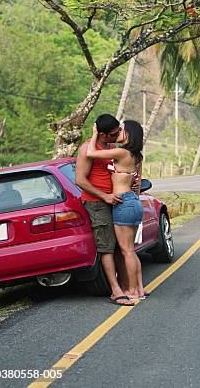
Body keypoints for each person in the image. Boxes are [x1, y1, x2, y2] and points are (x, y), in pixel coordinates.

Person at [75, 114, 134, 306]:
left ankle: (128, 287)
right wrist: (105, 196)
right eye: (114, 133)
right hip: (97, 203)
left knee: (120, 245)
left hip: (115, 201)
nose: (117, 135)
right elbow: (80, 181)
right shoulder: (87, 149)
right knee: (107, 246)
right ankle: (116, 291)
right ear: (101, 134)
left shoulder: (110, 148)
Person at [87, 119, 147, 303]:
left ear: (130, 133)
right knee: (132, 250)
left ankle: (131, 290)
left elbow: (91, 153)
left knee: (126, 251)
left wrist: (95, 133)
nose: (118, 132)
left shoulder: (122, 152)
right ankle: (140, 289)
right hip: (134, 202)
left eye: (122, 129)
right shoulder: (137, 156)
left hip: (123, 202)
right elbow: (137, 185)